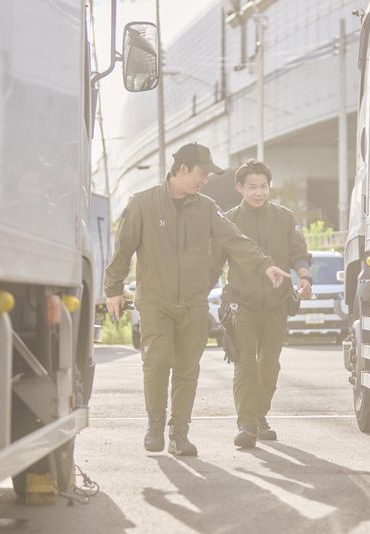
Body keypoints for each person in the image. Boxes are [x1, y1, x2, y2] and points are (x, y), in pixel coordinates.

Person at [104, 143, 290, 456]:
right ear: (182, 169)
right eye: (201, 173)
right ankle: (155, 424)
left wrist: (265, 264)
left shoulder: (206, 207)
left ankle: (179, 434)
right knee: (157, 361)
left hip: (193, 303)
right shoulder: (143, 203)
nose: (205, 180)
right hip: (156, 302)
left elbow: (235, 239)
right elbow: (123, 249)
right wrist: (113, 289)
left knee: (187, 369)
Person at [211, 159, 312, 449]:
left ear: (269, 187)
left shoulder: (284, 217)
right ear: (240, 188)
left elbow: (299, 252)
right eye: (252, 187)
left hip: (276, 304)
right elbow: (214, 262)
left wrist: (304, 277)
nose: (258, 192)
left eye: (263, 187)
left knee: (269, 365)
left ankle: (258, 416)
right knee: (245, 363)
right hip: (241, 303)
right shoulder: (229, 220)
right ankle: (247, 424)